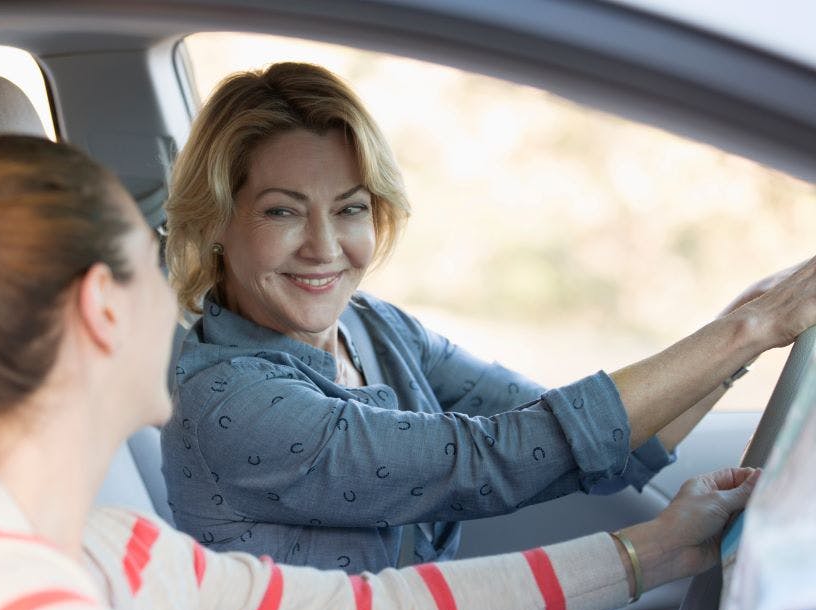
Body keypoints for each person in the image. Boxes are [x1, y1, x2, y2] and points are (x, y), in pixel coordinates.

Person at [0, 135, 774, 610]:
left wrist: (650, 552)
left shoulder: (111, 552)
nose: (177, 301)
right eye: (154, 262)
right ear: (105, 306)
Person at [161, 62, 816, 573]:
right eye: (283, 210)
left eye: (350, 208)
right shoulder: (230, 399)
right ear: (216, 220)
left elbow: (591, 442)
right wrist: (750, 328)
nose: (325, 247)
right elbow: (490, 461)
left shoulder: (375, 329)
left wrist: (747, 323)